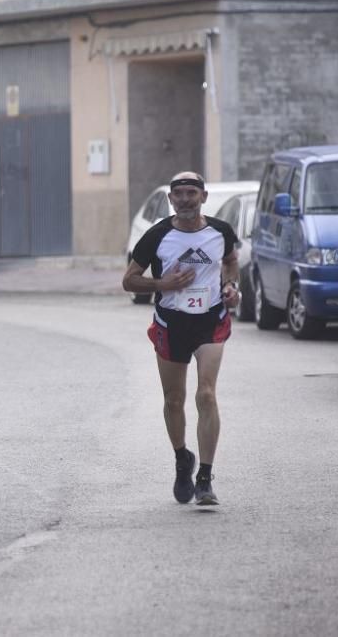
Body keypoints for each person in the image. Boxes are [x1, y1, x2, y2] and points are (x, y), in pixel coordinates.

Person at [121, 172, 240, 506]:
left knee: (206, 394)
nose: (186, 199)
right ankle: (181, 459)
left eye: (192, 193)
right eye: (180, 195)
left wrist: (232, 287)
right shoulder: (156, 236)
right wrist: (163, 285)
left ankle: (205, 478)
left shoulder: (220, 231)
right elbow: (129, 281)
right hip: (171, 323)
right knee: (174, 400)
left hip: (211, 321)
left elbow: (231, 262)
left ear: (203, 196)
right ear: (171, 200)